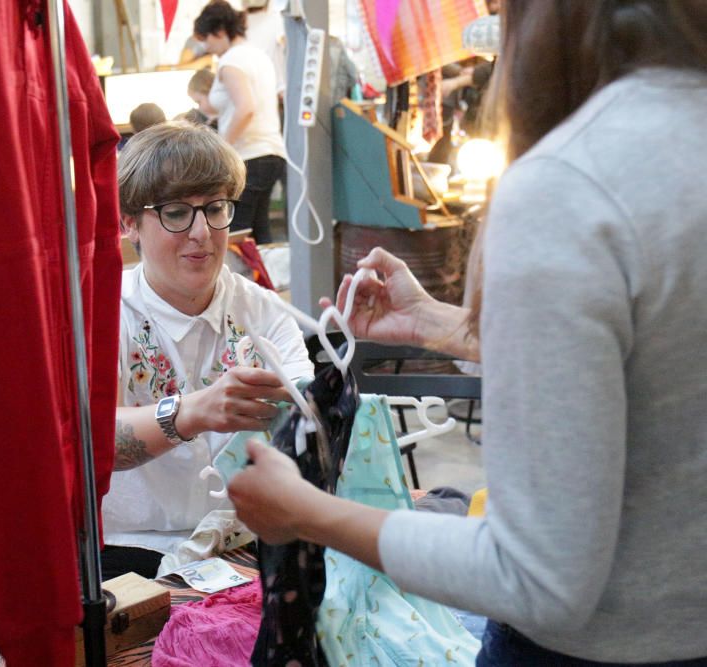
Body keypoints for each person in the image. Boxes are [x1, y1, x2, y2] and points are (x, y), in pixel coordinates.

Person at [228, 1, 707, 664]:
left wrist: (306, 511)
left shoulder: (571, 186)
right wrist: (440, 324)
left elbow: (537, 578)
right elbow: (664, 369)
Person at [101, 121, 313, 580]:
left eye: (215, 208)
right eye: (177, 212)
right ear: (129, 224)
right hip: (129, 552)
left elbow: (306, 416)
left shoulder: (262, 311)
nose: (202, 232)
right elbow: (91, 439)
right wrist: (192, 411)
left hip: (244, 539)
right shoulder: (103, 316)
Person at [193, 0, 286, 245]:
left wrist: (222, 150)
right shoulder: (257, 55)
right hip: (270, 152)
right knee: (260, 233)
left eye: (206, 38)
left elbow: (246, 109)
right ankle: (268, 282)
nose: (206, 46)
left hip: (249, 156)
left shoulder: (232, 61)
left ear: (220, 32)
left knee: (235, 236)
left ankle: (246, 283)